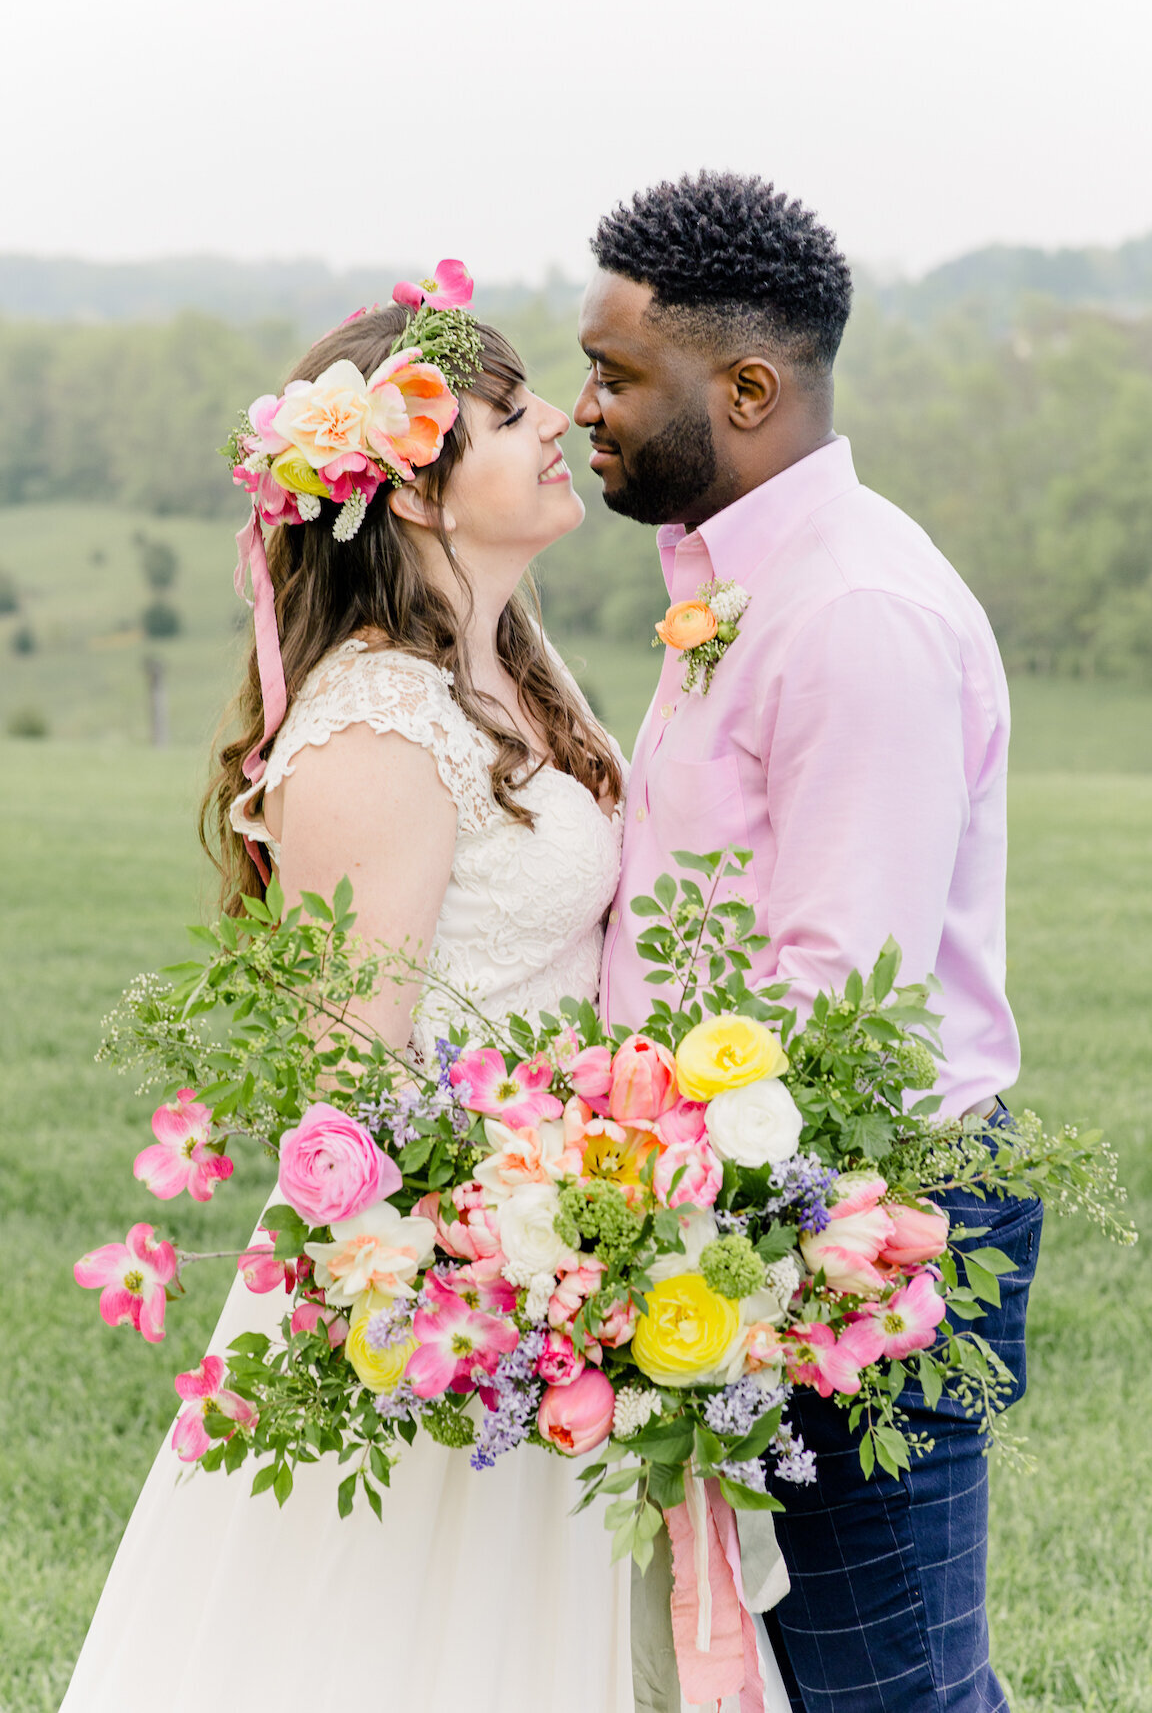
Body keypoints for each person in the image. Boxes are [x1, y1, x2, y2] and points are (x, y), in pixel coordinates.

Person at [60, 292, 641, 1711]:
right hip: (438, 1301)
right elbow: (358, 1091)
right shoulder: (379, 722)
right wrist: (508, 1274)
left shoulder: (512, 662)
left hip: (551, 1258)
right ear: (418, 490)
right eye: (509, 415)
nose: (557, 419)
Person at [584, 172, 1042, 1713]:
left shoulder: (851, 613)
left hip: (863, 1225)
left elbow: (837, 1004)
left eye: (615, 374)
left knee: (889, 1689)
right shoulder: (743, 584)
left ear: (747, 388)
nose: (585, 405)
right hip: (756, 1208)